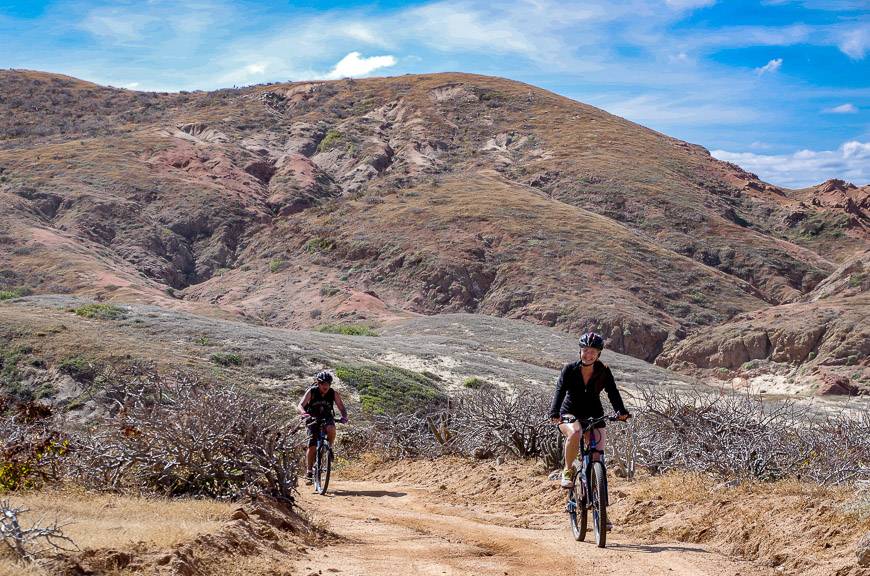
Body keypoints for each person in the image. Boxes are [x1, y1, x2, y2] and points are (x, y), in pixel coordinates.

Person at [549, 332, 631, 489]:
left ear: (598, 354)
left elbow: (612, 392)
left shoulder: (604, 371)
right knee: (575, 433)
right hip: (569, 412)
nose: (588, 354)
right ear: (580, 351)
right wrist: (555, 412)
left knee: (597, 454)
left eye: (593, 351)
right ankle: (568, 470)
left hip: (594, 413)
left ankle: (596, 488)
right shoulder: (569, 369)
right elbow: (560, 390)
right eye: (585, 350)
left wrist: (621, 411)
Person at [297, 371, 348, 483]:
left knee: (331, 429)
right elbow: (300, 405)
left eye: (328, 383)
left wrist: (344, 416)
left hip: (327, 416)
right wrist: (304, 414)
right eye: (323, 383)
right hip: (312, 417)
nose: (326, 386)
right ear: (318, 383)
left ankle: (329, 448)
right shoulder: (312, 391)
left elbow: (341, 407)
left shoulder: (333, 393)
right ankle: (309, 471)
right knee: (312, 446)